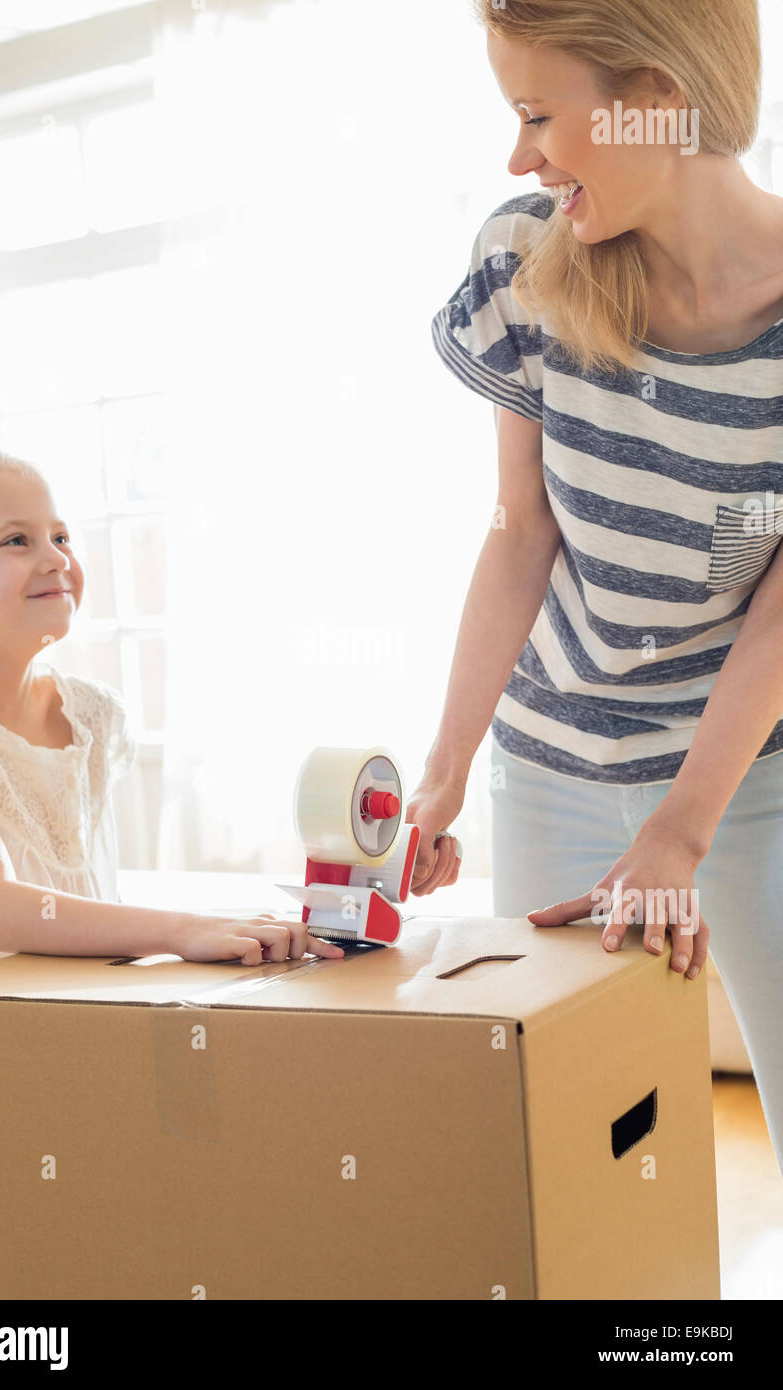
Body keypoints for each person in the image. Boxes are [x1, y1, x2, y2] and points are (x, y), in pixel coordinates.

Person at [406, 0, 783, 1175]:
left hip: (747, 777)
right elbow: (520, 535)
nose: (519, 157)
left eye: (537, 116)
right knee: (558, 1136)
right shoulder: (524, 260)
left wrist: (680, 827)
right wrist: (444, 773)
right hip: (553, 763)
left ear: (656, 98)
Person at [0, 447, 344, 980]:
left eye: (61, 536)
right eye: (16, 540)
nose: (55, 558)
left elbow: (93, 899)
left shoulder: (93, 715)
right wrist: (185, 930)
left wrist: (208, 931)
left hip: (84, 1019)